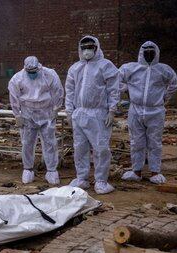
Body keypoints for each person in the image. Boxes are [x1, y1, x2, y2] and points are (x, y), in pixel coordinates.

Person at [119, 41, 177, 184]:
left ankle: (155, 172)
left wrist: (164, 96)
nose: (148, 54)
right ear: (141, 53)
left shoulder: (164, 70)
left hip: (156, 110)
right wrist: (127, 89)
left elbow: (175, 84)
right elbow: (116, 80)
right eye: (145, 52)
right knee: (136, 141)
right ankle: (136, 171)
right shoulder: (131, 68)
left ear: (156, 53)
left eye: (151, 52)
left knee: (155, 142)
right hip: (136, 109)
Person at [65, 35, 120, 194]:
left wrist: (112, 110)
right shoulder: (75, 68)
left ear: (97, 48)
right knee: (79, 148)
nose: (87, 50)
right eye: (84, 47)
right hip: (79, 113)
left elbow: (113, 90)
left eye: (90, 47)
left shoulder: (106, 66)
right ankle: (82, 178)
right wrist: (69, 111)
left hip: (98, 114)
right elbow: (69, 91)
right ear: (80, 49)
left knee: (101, 148)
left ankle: (101, 181)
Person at [8, 56, 64, 185]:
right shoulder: (18, 78)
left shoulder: (49, 74)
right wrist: (17, 115)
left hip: (47, 112)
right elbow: (14, 97)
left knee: (50, 142)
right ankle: (28, 169)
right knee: (27, 143)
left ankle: (51, 171)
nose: (32, 74)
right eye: (30, 72)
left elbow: (58, 91)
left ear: (39, 67)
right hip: (28, 113)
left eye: (34, 71)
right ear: (25, 68)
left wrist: (56, 108)